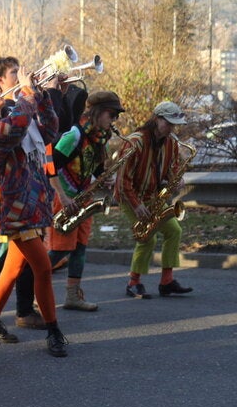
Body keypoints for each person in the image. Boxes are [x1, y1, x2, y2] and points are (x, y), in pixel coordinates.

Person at [0, 67, 69, 357]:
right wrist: (27, 94)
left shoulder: (16, 113)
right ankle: (53, 330)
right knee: (42, 267)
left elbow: (51, 129)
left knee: (13, 267)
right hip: (15, 208)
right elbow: (11, 132)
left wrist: (42, 95)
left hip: (34, 203)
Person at [48, 90, 125, 312]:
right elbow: (50, 166)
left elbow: (97, 168)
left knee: (80, 248)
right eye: (112, 115)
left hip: (84, 198)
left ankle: (73, 295)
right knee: (60, 250)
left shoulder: (101, 138)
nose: (114, 121)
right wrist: (62, 197)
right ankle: (33, 286)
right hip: (64, 196)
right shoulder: (74, 135)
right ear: (98, 112)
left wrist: (105, 179)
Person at [114, 101, 194, 299]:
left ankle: (166, 281)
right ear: (156, 119)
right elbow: (123, 180)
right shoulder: (135, 142)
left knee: (174, 230)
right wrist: (137, 204)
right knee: (147, 236)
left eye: (174, 124)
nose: (172, 128)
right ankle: (133, 282)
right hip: (130, 196)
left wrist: (177, 180)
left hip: (153, 196)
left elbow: (172, 168)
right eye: (169, 123)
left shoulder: (171, 142)